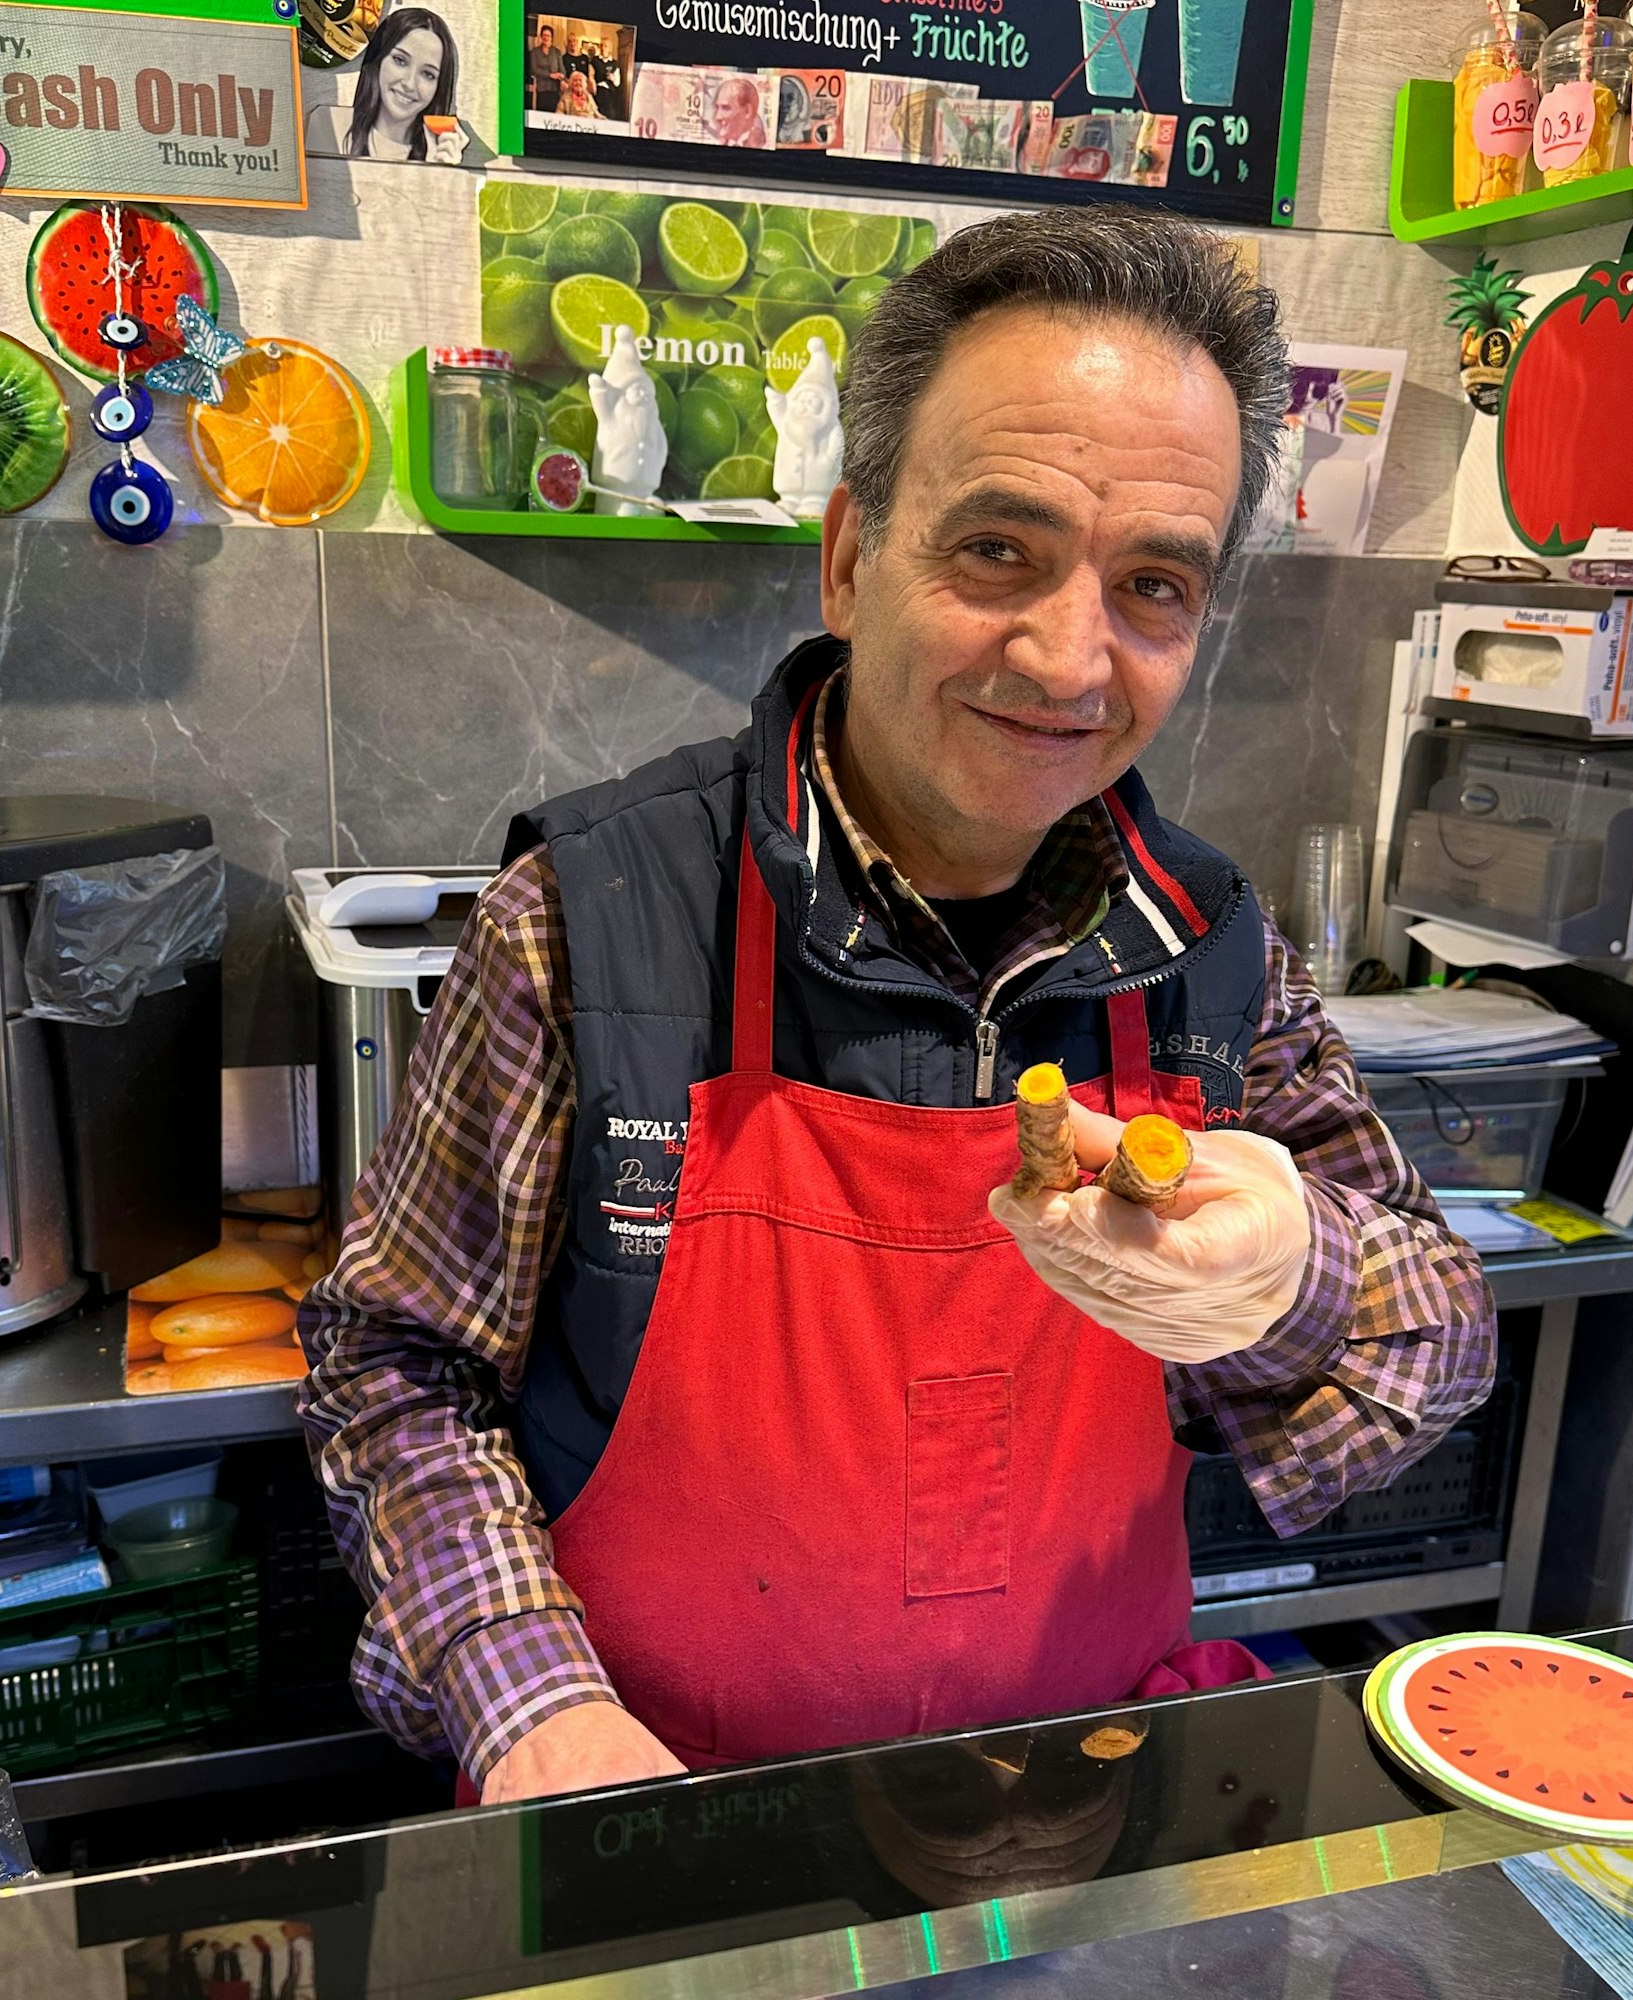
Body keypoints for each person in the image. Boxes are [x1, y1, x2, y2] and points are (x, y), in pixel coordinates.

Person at [300, 207, 1496, 1807]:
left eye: (1153, 585)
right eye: (998, 549)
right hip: (649, 1821)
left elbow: (1441, 1338)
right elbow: (393, 1367)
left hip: (1083, 1808)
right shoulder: (594, 921)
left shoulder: (1208, 950)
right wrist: (533, 1711)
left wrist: (1290, 1281)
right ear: (854, 555)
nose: (1072, 660)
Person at [344, 7, 463, 163]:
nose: (410, 84)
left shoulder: (444, 154)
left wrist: (442, 176)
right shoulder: (327, 128)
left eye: (428, 74)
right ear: (378, 60)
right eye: (400, 61)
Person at [527, 23, 563, 113]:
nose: (546, 38)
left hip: (555, 89)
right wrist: (550, 75)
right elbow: (534, 69)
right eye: (544, 35)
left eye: (548, 36)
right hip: (542, 89)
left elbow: (562, 69)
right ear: (541, 37)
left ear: (552, 37)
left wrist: (562, 76)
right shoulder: (535, 52)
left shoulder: (557, 52)